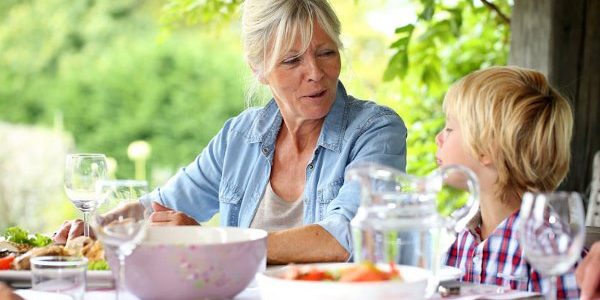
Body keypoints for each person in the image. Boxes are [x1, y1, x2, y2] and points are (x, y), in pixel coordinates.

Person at [54, 0, 407, 264]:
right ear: (259, 69)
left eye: (326, 52)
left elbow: (346, 238)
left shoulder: (376, 131)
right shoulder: (240, 136)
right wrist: (104, 224)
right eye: (291, 60)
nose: (315, 72)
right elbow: (165, 205)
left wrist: (217, 243)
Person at [438, 66, 583, 298]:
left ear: (487, 148)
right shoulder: (452, 239)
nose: (439, 138)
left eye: (449, 128)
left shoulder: (553, 252)